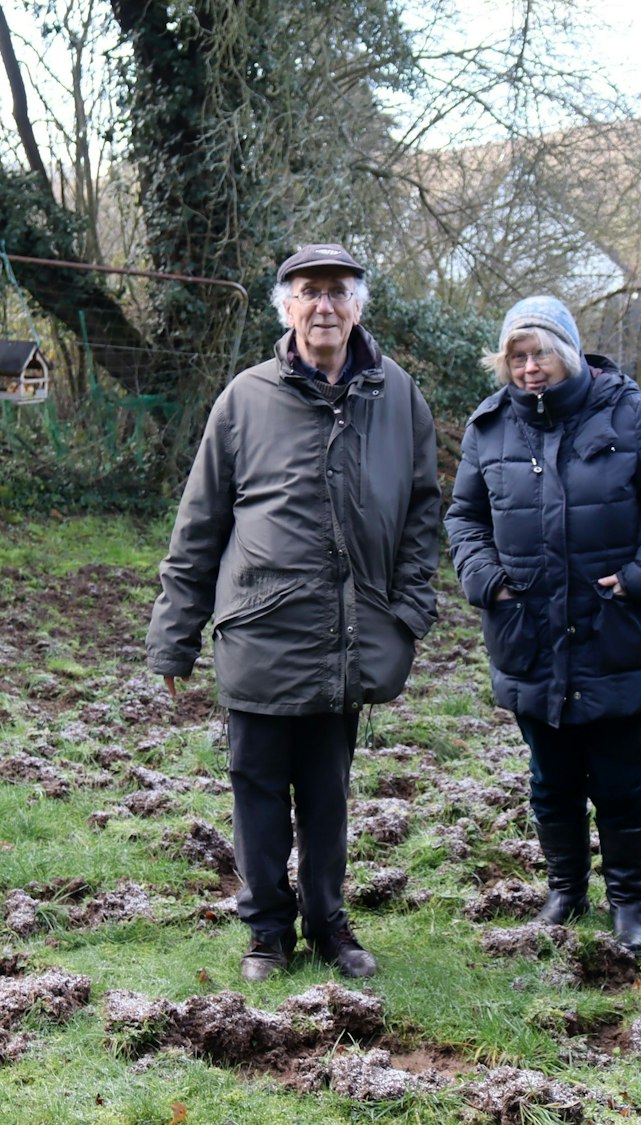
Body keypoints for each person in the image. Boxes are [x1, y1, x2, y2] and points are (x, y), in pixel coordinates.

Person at [147, 243, 441, 981]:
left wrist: (406, 614)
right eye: (308, 292)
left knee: (327, 791)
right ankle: (267, 928)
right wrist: (173, 639)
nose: (324, 307)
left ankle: (328, 921)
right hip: (258, 629)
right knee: (256, 789)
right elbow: (199, 525)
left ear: (359, 306)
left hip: (350, 635)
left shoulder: (399, 396)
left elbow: (422, 517)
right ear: (287, 308)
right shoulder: (244, 399)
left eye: (338, 292)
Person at [444, 296, 641, 952]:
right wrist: (486, 579)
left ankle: (629, 902)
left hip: (616, 630)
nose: (530, 369)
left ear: (569, 353)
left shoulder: (628, 413)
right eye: (518, 357)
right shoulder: (489, 427)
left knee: (621, 779)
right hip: (527, 631)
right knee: (551, 776)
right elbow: (463, 516)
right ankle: (564, 891)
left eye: (542, 354)